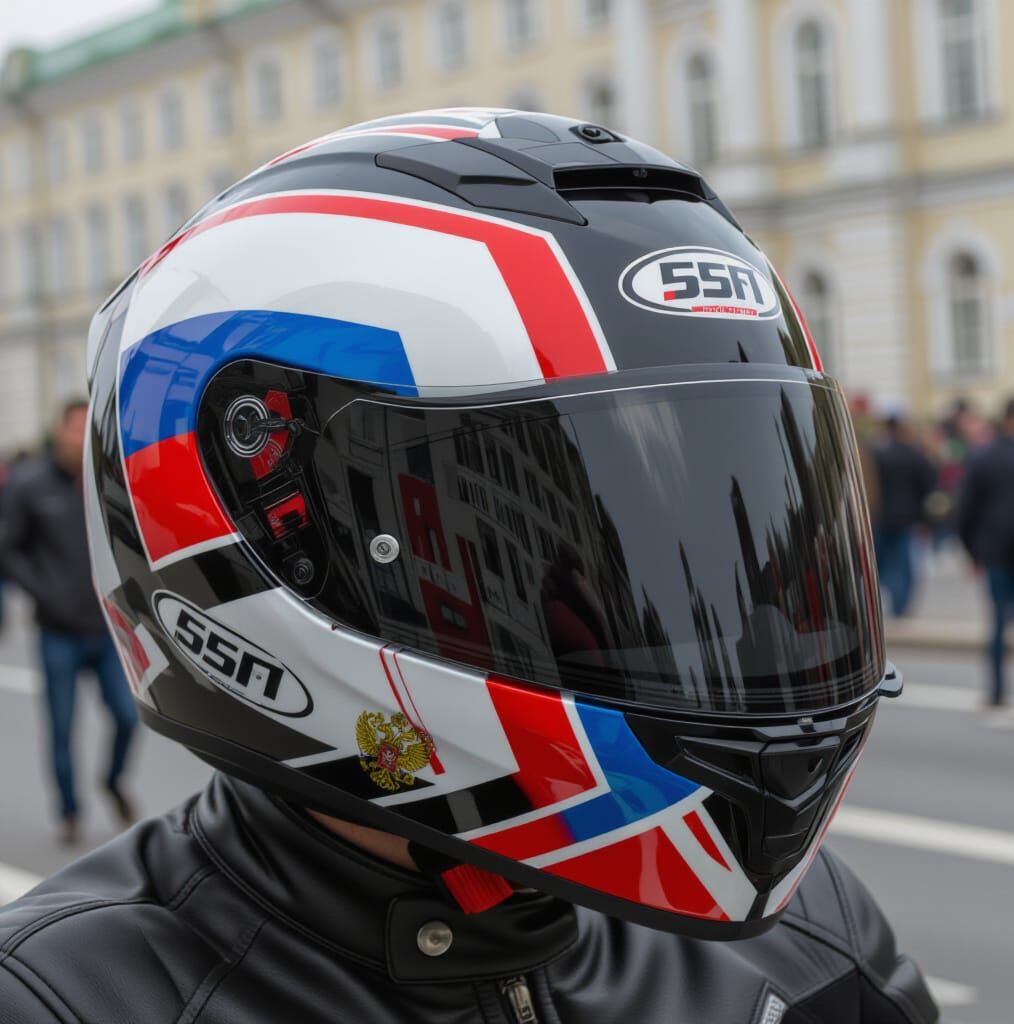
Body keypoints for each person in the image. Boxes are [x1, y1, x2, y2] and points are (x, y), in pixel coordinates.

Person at [0, 109, 937, 1023]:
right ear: (282, 539)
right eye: (561, 565)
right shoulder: (63, 998)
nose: (737, 622)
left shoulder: (818, 942)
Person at [0, 400, 138, 844]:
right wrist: (44, 592)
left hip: (106, 629)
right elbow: (9, 548)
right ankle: (69, 812)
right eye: (74, 429)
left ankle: (113, 781)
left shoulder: (105, 481)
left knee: (127, 717)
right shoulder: (28, 485)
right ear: (58, 431)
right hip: (57, 631)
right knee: (61, 728)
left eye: (87, 430)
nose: (80, 438)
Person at [956, 396, 1014, 708]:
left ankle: (997, 692)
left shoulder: (983, 456)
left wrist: (972, 553)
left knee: (998, 623)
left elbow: (965, 510)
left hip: (996, 552)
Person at [870, 415, 937, 616]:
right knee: (904, 565)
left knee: (879, 563)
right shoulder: (916, 456)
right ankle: (901, 604)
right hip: (908, 518)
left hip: (881, 517)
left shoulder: (877, 455)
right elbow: (929, 488)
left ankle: (879, 601)